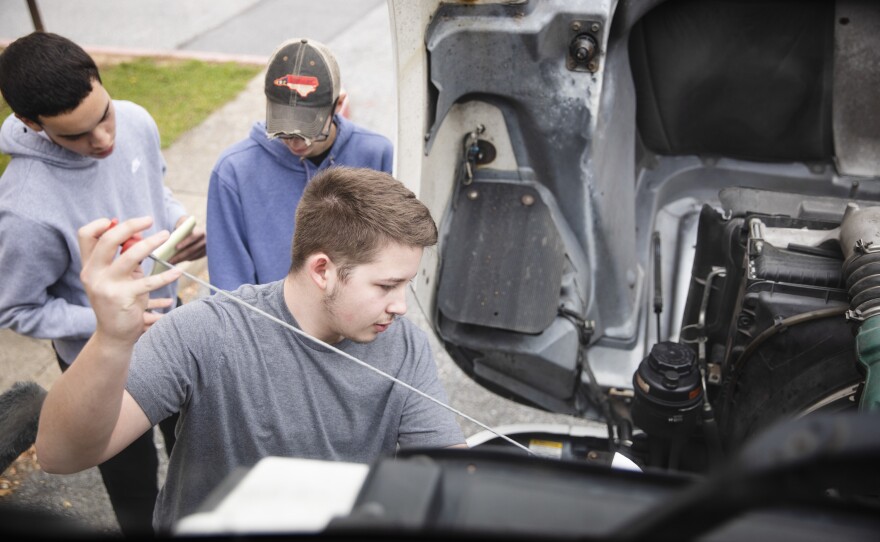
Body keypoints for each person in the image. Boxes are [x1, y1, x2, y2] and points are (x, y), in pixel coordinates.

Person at [36, 166, 466, 533]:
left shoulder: (403, 341)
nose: (401, 305)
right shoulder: (205, 332)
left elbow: (450, 481)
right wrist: (111, 338)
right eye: (386, 285)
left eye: (406, 284)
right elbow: (60, 455)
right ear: (323, 271)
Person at [0, 32, 206, 536]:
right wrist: (110, 319)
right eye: (77, 135)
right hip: (99, 364)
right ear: (31, 124)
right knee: (135, 487)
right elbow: (16, 308)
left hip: (174, 330)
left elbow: (154, 186)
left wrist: (178, 220)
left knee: (196, 457)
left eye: (104, 114)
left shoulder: (134, 119)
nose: (104, 139)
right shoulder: (22, 209)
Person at [207, 37, 393, 291]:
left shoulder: (376, 155)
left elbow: (388, 262)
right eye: (282, 130)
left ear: (338, 105)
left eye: (309, 130)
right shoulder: (234, 171)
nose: (295, 143)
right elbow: (228, 286)